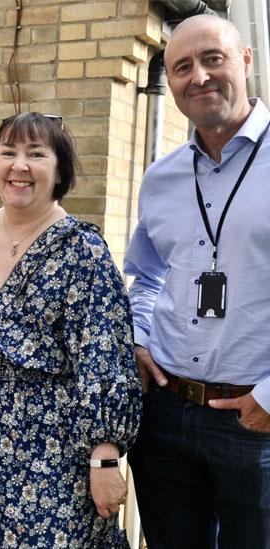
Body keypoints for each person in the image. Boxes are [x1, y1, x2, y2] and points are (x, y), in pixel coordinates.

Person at [0, 112, 141, 547]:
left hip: (44, 464)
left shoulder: (81, 251)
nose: (19, 166)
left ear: (60, 169)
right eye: (8, 152)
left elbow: (104, 361)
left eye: (36, 154)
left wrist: (105, 462)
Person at [124, 14, 270, 548]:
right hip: (166, 415)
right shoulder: (160, 179)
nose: (199, 76)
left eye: (213, 58)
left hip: (255, 423)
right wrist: (140, 338)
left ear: (246, 60)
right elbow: (144, 273)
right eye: (182, 66)